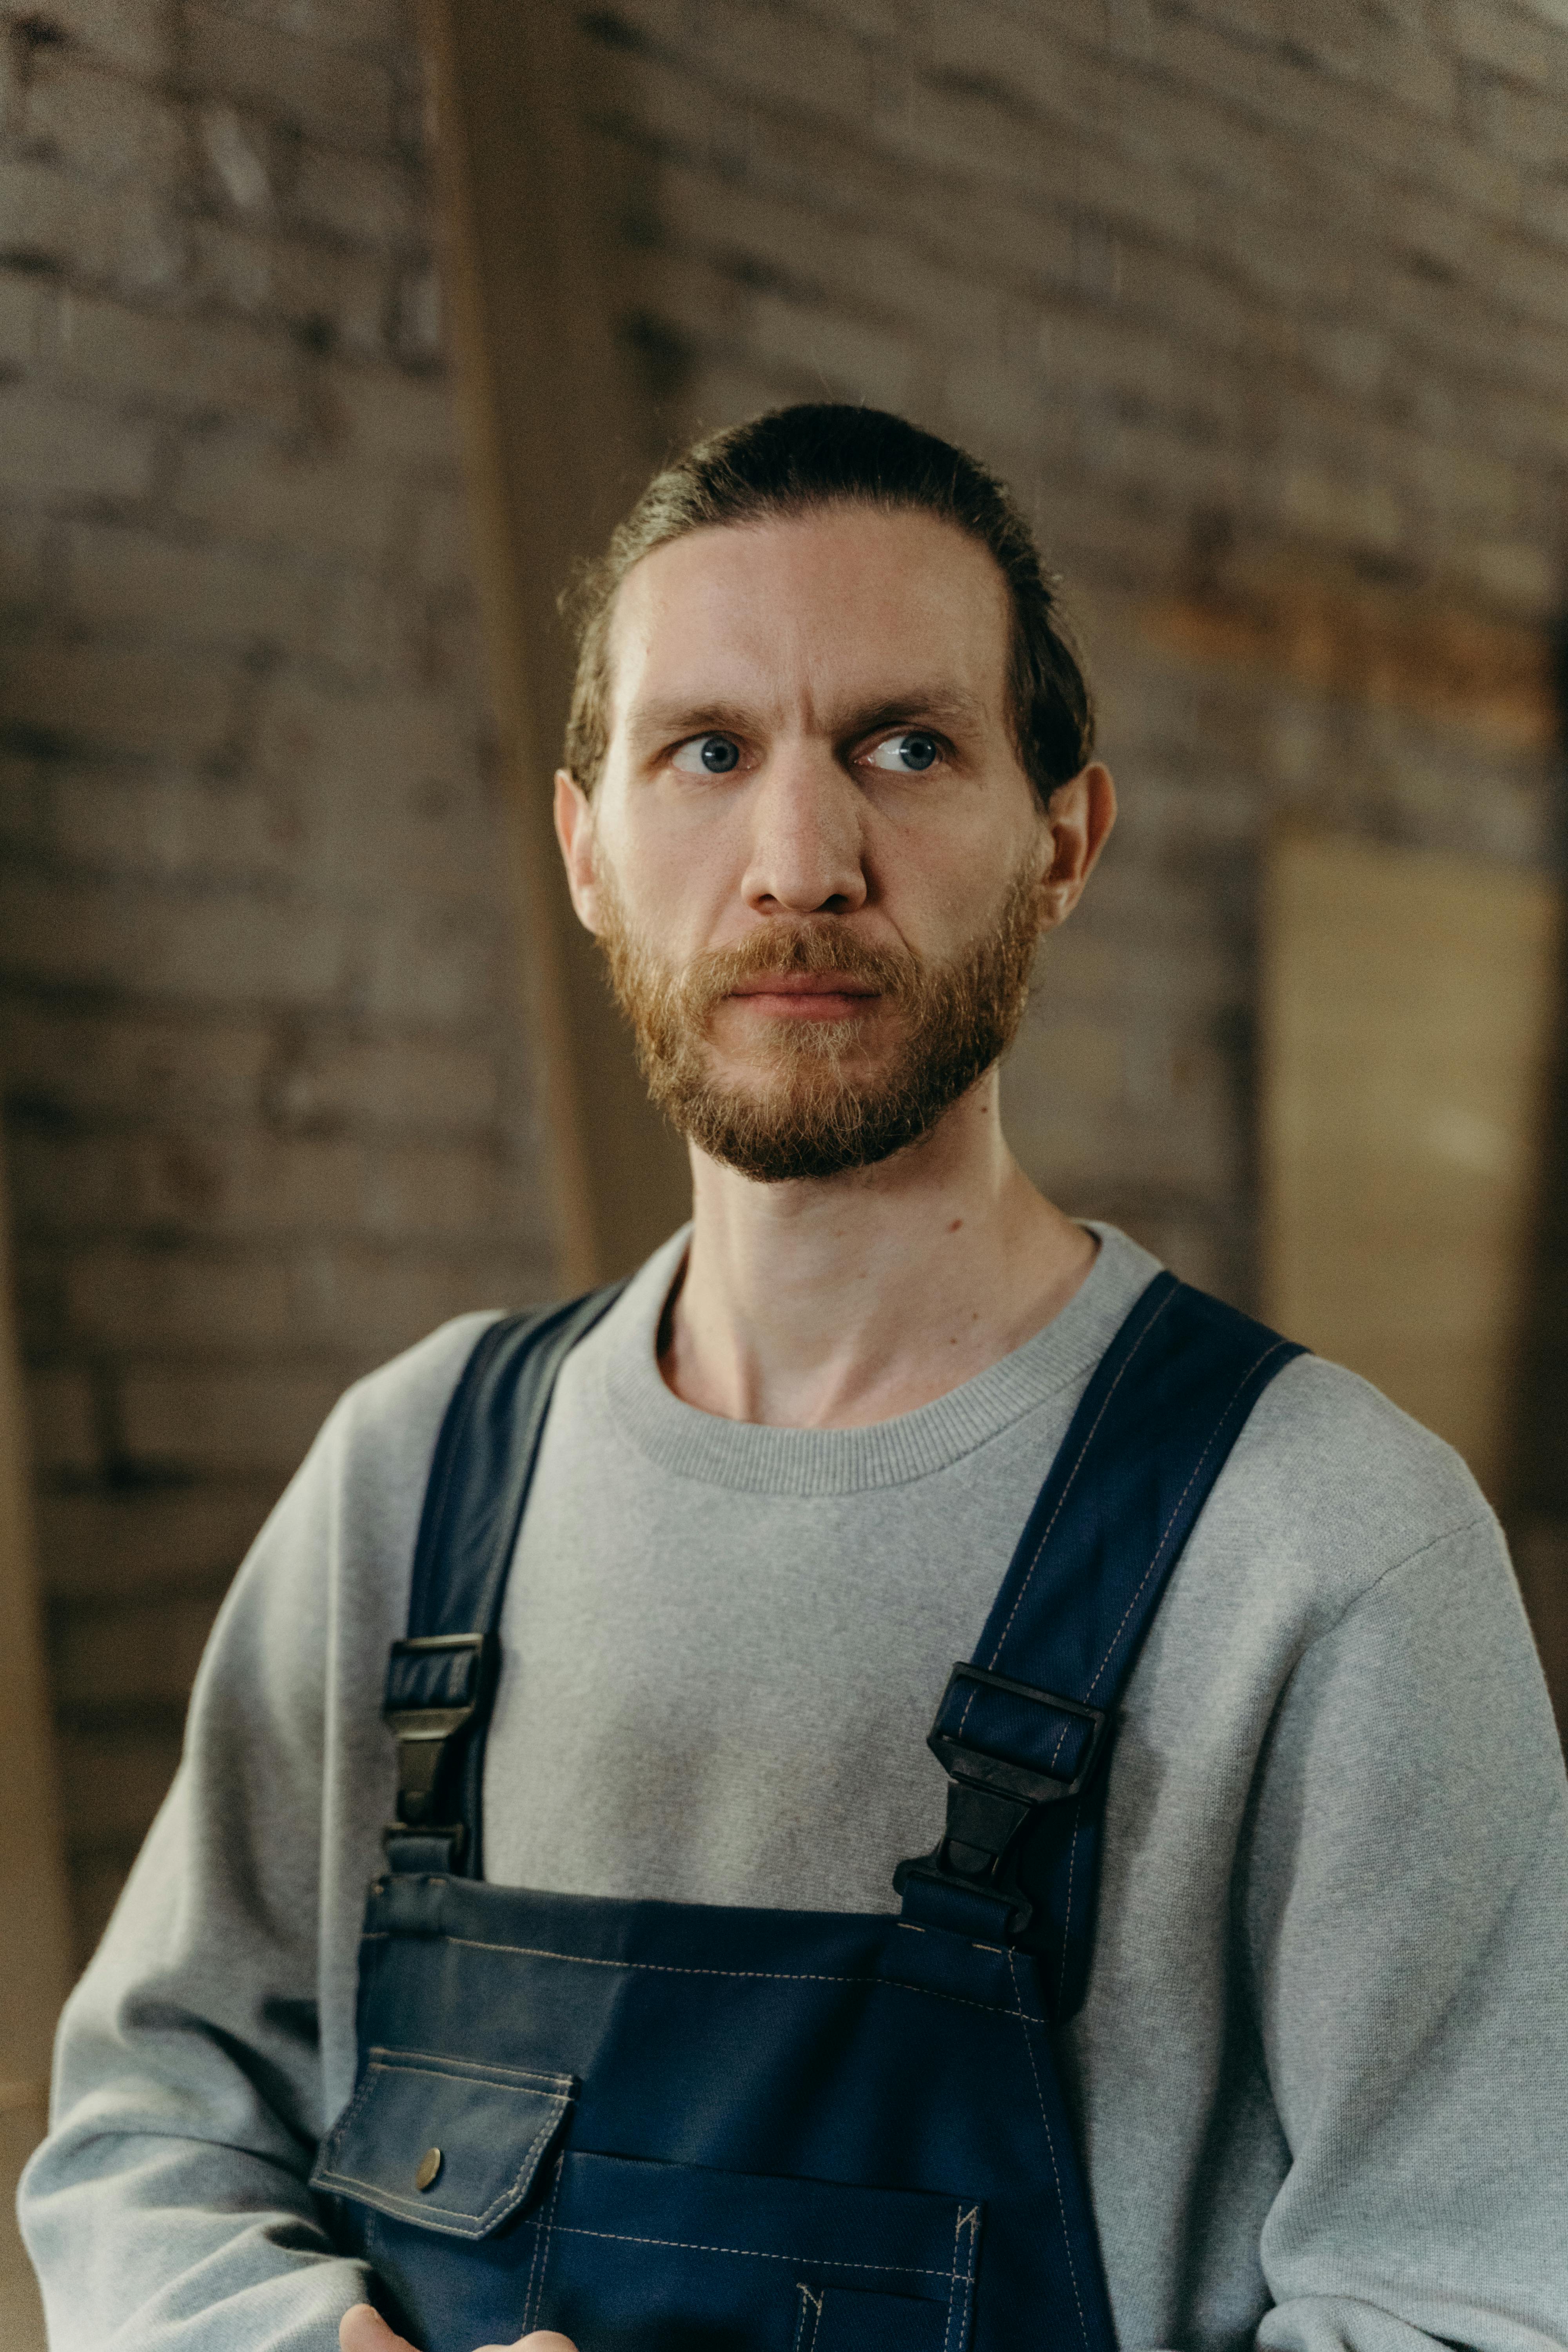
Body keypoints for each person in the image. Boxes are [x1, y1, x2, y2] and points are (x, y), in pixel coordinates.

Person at [19, 406, 1568, 2352]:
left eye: (905, 749)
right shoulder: (404, 1485)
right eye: (708, 752)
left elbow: (1475, 2308)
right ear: (586, 850)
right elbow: (146, 2139)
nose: (800, 860)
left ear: (1064, 837)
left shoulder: (1327, 1547)